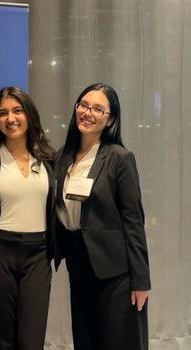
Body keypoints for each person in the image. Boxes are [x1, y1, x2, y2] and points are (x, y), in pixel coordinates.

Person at [54, 83, 151, 350]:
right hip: (79, 263)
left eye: (98, 109)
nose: (88, 112)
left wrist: (141, 280)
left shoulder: (119, 158)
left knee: (119, 342)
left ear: (110, 120)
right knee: (86, 340)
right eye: (84, 105)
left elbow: (134, 221)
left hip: (115, 272)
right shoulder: (63, 158)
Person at [0, 86, 56, 350]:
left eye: (17, 110)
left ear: (29, 114)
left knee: (32, 341)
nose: (11, 118)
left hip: (38, 256)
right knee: (3, 341)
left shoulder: (49, 158)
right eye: (2, 113)